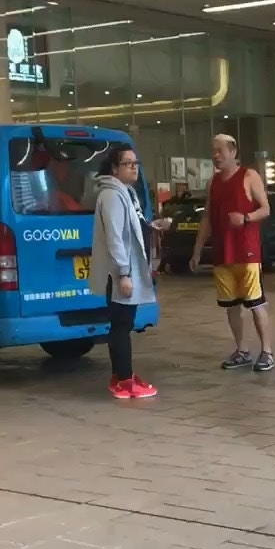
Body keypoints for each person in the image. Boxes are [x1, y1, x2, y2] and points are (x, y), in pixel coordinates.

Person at [91, 144, 170, 399]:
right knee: (121, 325)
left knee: (123, 323)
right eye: (128, 163)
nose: (134, 168)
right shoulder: (112, 196)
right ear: (114, 168)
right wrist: (123, 274)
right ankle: (124, 382)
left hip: (129, 270)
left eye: (136, 163)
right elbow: (115, 238)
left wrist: (151, 226)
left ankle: (121, 376)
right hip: (121, 273)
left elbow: (131, 226)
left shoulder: (126, 192)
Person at [190, 134, 275, 372]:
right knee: (231, 305)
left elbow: (266, 209)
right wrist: (197, 250)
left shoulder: (249, 176)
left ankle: (267, 352)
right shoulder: (213, 183)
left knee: (256, 303)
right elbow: (207, 217)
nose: (215, 155)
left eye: (220, 151)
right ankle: (242, 351)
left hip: (247, 253)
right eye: (213, 151)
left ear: (233, 152)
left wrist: (246, 218)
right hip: (222, 254)